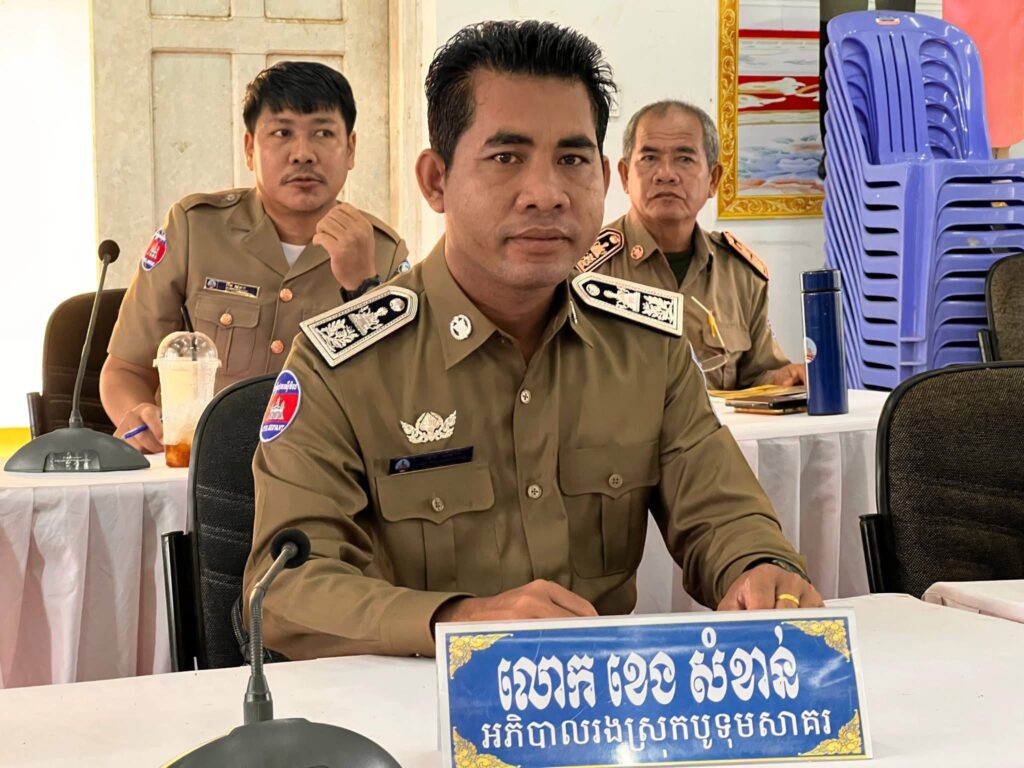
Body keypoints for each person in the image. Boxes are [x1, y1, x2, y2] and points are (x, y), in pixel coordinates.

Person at [244, 20, 822, 661]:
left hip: (604, 703)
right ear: (435, 180)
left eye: (572, 160)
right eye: (506, 158)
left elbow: (723, 509)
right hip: (416, 702)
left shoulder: (648, 344)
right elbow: (286, 589)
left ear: (602, 177)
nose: (546, 194)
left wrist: (758, 567)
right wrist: (459, 621)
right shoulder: (343, 363)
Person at [100, 61, 409, 454]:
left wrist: (363, 287)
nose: (303, 154)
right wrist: (139, 414)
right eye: (282, 133)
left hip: (321, 473)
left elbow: (403, 396)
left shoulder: (383, 252)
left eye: (323, 133)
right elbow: (125, 369)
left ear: (350, 149)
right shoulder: (195, 229)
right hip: (200, 467)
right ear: (249, 149)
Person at [581, 100, 804, 391]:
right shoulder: (585, 270)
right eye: (649, 158)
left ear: (713, 179)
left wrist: (784, 378)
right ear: (624, 176)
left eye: (684, 159)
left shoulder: (741, 276)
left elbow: (756, 378)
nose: (666, 174)